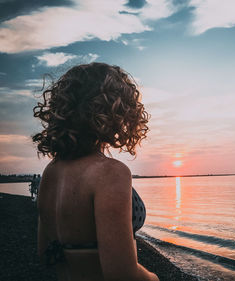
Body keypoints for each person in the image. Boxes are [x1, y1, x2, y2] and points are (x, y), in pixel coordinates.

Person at [32, 63, 157, 281]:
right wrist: (152, 277)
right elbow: (121, 274)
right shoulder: (110, 173)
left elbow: (45, 254)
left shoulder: (50, 172)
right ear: (115, 110)